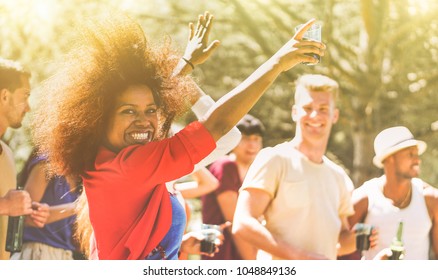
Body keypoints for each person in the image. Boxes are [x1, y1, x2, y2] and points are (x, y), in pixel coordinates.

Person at [31, 9, 325, 260]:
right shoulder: (132, 165)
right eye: (128, 112)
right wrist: (278, 62)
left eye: (151, 111)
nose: (144, 121)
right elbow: (218, 127)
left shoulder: (108, 161)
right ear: (98, 117)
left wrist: (177, 246)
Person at [232, 74, 357, 260]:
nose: (315, 115)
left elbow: (342, 241)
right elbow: (243, 223)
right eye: (308, 108)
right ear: (294, 112)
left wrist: (369, 231)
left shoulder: (339, 176)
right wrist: (301, 257)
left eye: (323, 109)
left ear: (335, 115)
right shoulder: (274, 158)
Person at [346, 126, 438, 260]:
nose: (417, 160)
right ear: (389, 158)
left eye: (417, 154)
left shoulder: (431, 199)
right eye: (410, 154)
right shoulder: (364, 198)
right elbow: (338, 248)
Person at [0, 57, 49, 260]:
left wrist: (25, 210)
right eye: (25, 96)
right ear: (4, 96)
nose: (28, 107)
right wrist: (5, 205)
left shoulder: (7, 153)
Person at [202, 114, 265, 260]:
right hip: (220, 255)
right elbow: (236, 224)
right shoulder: (225, 166)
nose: (252, 145)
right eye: (245, 139)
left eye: (256, 139)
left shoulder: (255, 171)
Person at [9, 149, 80, 260]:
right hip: (38, 253)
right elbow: (24, 216)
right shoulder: (46, 163)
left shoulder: (79, 177)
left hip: (65, 255)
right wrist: (77, 207)